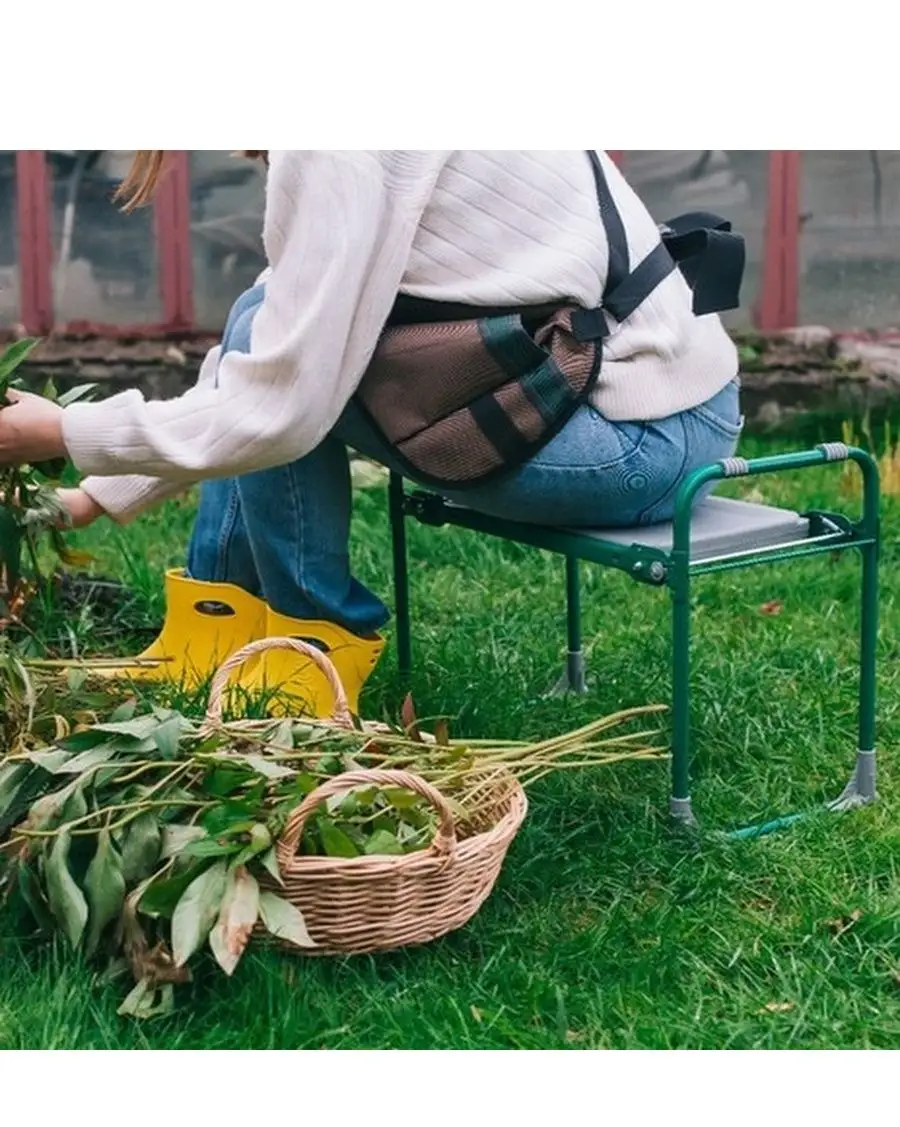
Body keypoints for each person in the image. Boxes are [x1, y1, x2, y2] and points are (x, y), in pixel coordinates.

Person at [0, 150, 743, 716]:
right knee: (265, 323)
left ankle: (311, 653)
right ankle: (216, 633)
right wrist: (99, 493)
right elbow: (274, 332)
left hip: (642, 434)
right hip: (637, 396)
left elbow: (278, 410)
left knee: (293, 388)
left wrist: (66, 431)